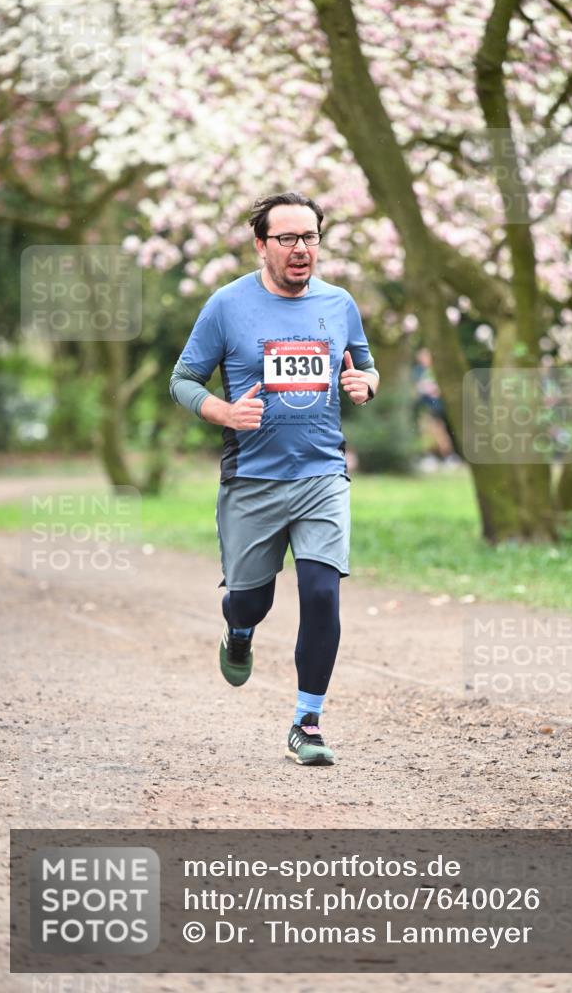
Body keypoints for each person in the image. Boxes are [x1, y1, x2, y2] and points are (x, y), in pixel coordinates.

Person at [169, 192, 379, 766]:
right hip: (252, 480)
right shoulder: (226, 305)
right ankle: (238, 632)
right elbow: (183, 379)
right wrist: (224, 412)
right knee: (250, 599)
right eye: (287, 238)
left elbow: (362, 362)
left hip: (321, 475)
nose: (300, 249)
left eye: (310, 237)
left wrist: (367, 384)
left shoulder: (338, 304)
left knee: (321, 591)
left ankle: (306, 722)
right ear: (261, 245)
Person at [411, 347, 458, 469]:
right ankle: (431, 457)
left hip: (436, 407)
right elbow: (415, 390)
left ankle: (448, 456)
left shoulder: (437, 371)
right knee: (427, 434)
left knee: (440, 433)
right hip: (424, 406)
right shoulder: (418, 371)